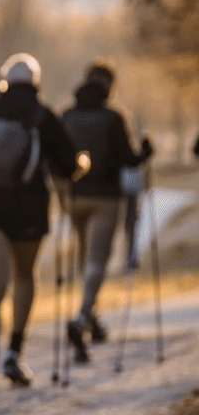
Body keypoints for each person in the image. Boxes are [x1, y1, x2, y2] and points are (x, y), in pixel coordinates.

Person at [0, 53, 78, 399]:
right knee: (24, 276)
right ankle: (14, 353)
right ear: (35, 83)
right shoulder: (43, 115)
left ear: (4, 81)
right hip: (29, 210)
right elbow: (68, 165)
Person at [61, 62, 152, 359]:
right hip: (106, 199)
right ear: (108, 86)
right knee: (97, 260)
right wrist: (147, 151)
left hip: (74, 199)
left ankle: (91, 317)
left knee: (85, 257)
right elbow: (129, 159)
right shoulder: (113, 118)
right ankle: (82, 316)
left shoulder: (67, 116)